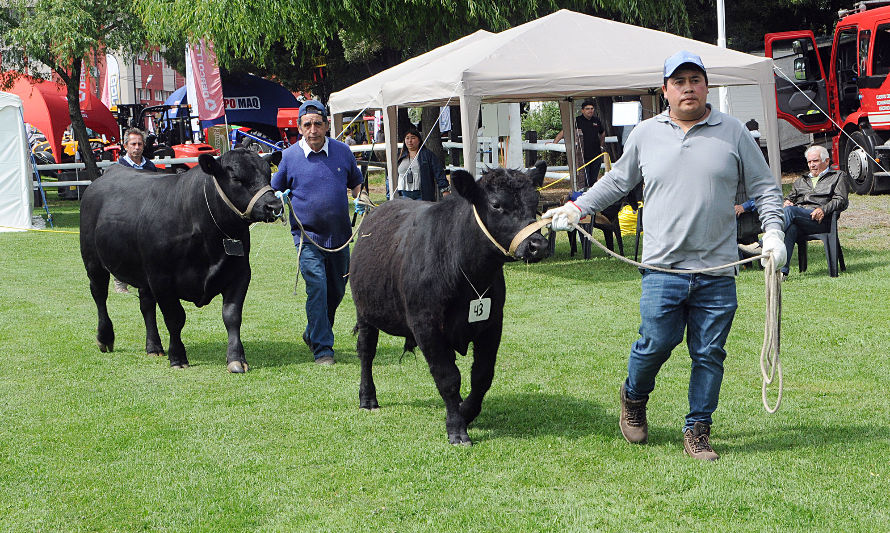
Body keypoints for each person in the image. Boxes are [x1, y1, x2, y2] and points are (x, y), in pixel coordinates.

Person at [544, 50, 786, 461]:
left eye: (695, 80)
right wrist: (577, 207)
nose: (688, 88)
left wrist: (775, 232)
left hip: (717, 269)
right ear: (665, 91)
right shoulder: (644, 134)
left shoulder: (732, 132)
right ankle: (634, 397)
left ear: (707, 86)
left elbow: (765, 187)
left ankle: (698, 430)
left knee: (709, 353)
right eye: (679, 82)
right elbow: (618, 181)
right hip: (662, 268)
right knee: (655, 342)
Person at [271, 100, 363, 365]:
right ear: (299, 128)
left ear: (327, 126)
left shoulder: (342, 152)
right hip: (307, 238)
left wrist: (361, 197)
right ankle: (323, 348)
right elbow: (274, 188)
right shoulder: (289, 157)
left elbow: (356, 182)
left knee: (335, 292)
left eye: (318, 123)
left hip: (340, 238)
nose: (313, 129)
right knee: (318, 289)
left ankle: (313, 331)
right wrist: (279, 196)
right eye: (307, 124)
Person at [779, 145, 849, 277]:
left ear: (826, 161)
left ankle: (764, 242)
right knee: (791, 226)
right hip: (801, 218)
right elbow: (789, 198)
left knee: (790, 212)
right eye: (809, 162)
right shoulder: (801, 180)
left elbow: (841, 200)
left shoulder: (838, 176)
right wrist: (786, 202)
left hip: (822, 221)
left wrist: (823, 209)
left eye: (815, 161)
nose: (812, 165)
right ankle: (782, 273)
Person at [112, 128, 159, 293]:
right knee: (124, 248)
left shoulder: (150, 166)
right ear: (126, 146)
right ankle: (120, 281)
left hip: (147, 215)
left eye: (140, 144)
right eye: (133, 144)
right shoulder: (119, 167)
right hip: (126, 215)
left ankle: (145, 279)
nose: (137, 147)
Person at [554, 98, 606, 187]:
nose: (590, 111)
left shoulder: (596, 120)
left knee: (593, 180)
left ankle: (593, 197)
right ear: (582, 110)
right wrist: (554, 143)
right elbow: (565, 131)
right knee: (585, 179)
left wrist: (601, 146)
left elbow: (602, 133)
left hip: (596, 155)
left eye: (591, 108)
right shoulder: (577, 121)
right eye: (587, 109)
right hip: (583, 156)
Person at [395, 127, 450, 200]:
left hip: (423, 194)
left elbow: (439, 172)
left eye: (413, 138)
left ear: (419, 140)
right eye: (407, 138)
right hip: (404, 194)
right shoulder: (399, 155)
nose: (410, 141)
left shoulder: (427, 155)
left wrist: (445, 190)